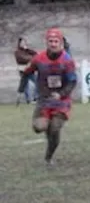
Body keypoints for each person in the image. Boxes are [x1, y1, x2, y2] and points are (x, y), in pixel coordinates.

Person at [18, 29, 77, 165]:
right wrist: (21, 89)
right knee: (39, 127)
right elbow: (27, 72)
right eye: (51, 41)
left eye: (56, 41)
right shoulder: (39, 58)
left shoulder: (67, 61)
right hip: (44, 100)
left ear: (61, 43)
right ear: (46, 42)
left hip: (61, 101)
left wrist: (61, 94)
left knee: (55, 128)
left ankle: (48, 157)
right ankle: (47, 130)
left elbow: (72, 81)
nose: (53, 44)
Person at [15, 37, 37, 105]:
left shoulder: (27, 51)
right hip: (23, 71)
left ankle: (35, 98)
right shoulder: (17, 52)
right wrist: (31, 58)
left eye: (24, 42)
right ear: (19, 43)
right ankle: (28, 100)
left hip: (30, 70)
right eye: (22, 42)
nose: (23, 44)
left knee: (37, 82)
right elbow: (22, 59)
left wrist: (28, 50)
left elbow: (36, 54)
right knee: (25, 86)